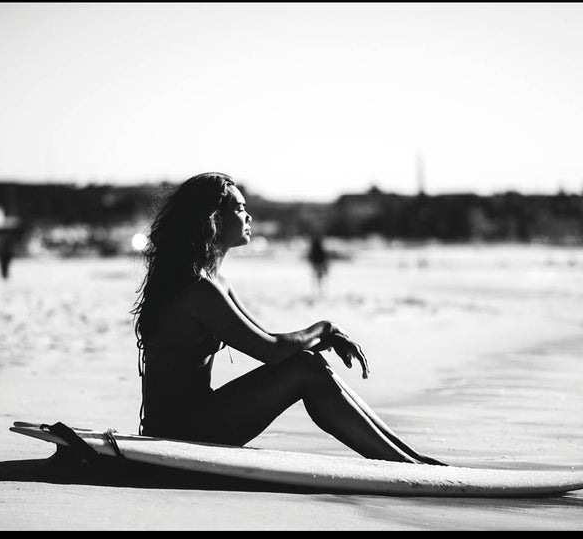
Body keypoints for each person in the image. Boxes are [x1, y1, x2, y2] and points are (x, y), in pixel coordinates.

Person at [132, 173, 445, 465]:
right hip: (176, 436)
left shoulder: (214, 283)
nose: (248, 216)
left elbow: (269, 341)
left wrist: (319, 338)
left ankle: (410, 458)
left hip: (195, 420)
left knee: (308, 364)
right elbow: (272, 350)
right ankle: (403, 464)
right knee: (305, 368)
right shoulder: (197, 290)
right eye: (239, 208)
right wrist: (326, 329)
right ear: (213, 220)